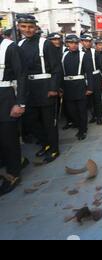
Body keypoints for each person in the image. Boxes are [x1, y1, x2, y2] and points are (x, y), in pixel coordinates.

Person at [17, 14, 62, 164]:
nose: (27, 29)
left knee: (49, 122)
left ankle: (54, 149)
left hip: (45, 87)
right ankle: (45, 143)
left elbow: (56, 68)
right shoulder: (19, 44)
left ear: (36, 27)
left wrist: (53, 87)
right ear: (19, 27)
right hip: (29, 89)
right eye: (24, 26)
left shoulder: (45, 43)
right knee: (31, 121)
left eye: (30, 27)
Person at [0, 29, 27, 196]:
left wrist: (20, 103)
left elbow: (21, 75)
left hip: (6, 97)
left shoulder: (10, 47)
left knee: (8, 138)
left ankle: (13, 173)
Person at [61, 35, 93, 141]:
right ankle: (78, 124)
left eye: (75, 43)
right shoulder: (64, 55)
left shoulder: (83, 55)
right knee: (71, 110)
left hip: (79, 85)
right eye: (71, 43)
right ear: (67, 44)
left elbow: (89, 73)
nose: (73, 45)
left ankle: (83, 130)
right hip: (67, 86)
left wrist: (89, 87)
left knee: (82, 110)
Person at [80, 34, 102, 125]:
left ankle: (99, 116)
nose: (87, 43)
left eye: (89, 41)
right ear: (82, 42)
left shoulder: (96, 52)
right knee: (89, 100)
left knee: (97, 98)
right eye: (85, 41)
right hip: (84, 78)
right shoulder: (79, 52)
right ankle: (93, 115)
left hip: (95, 77)